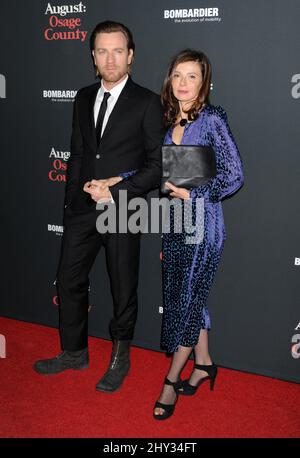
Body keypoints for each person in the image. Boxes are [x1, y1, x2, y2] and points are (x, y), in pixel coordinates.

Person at [34, 20, 165, 393]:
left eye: (118, 50)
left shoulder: (147, 102)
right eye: (102, 51)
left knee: (123, 288)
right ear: (93, 57)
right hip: (82, 209)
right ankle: (74, 352)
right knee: (71, 279)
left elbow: (158, 167)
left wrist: (119, 188)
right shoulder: (82, 97)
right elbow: (77, 153)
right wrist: (71, 202)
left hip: (123, 208)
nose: (110, 59)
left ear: (131, 56)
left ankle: (120, 358)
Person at [153, 49, 244, 420]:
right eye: (177, 75)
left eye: (192, 76)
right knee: (190, 298)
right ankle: (203, 363)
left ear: (204, 82)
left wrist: (196, 193)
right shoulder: (168, 123)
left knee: (188, 304)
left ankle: (170, 382)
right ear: (169, 79)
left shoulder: (212, 120)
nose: (183, 83)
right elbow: (164, 179)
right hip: (176, 224)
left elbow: (234, 174)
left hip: (204, 226)